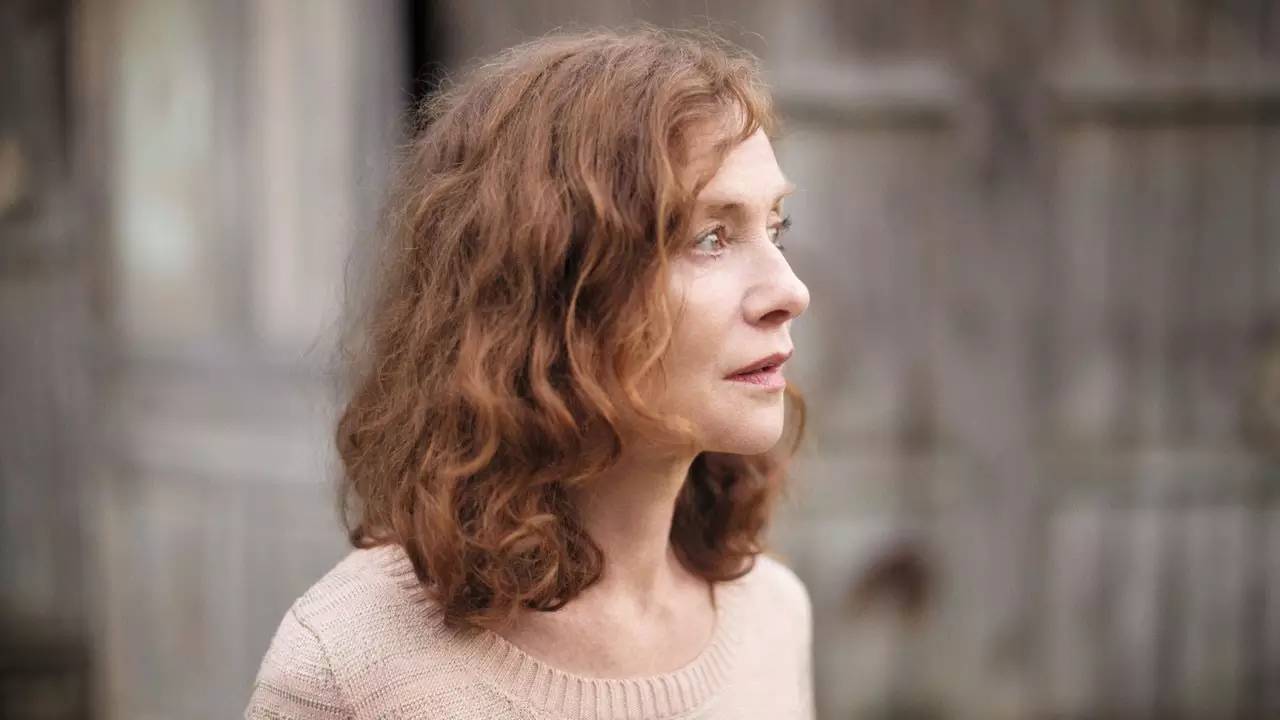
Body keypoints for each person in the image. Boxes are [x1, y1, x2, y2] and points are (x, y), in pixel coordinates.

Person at [245, 24, 814, 720]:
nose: (790, 291)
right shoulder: (349, 667)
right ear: (551, 290)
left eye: (775, 228)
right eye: (710, 237)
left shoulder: (771, 616)